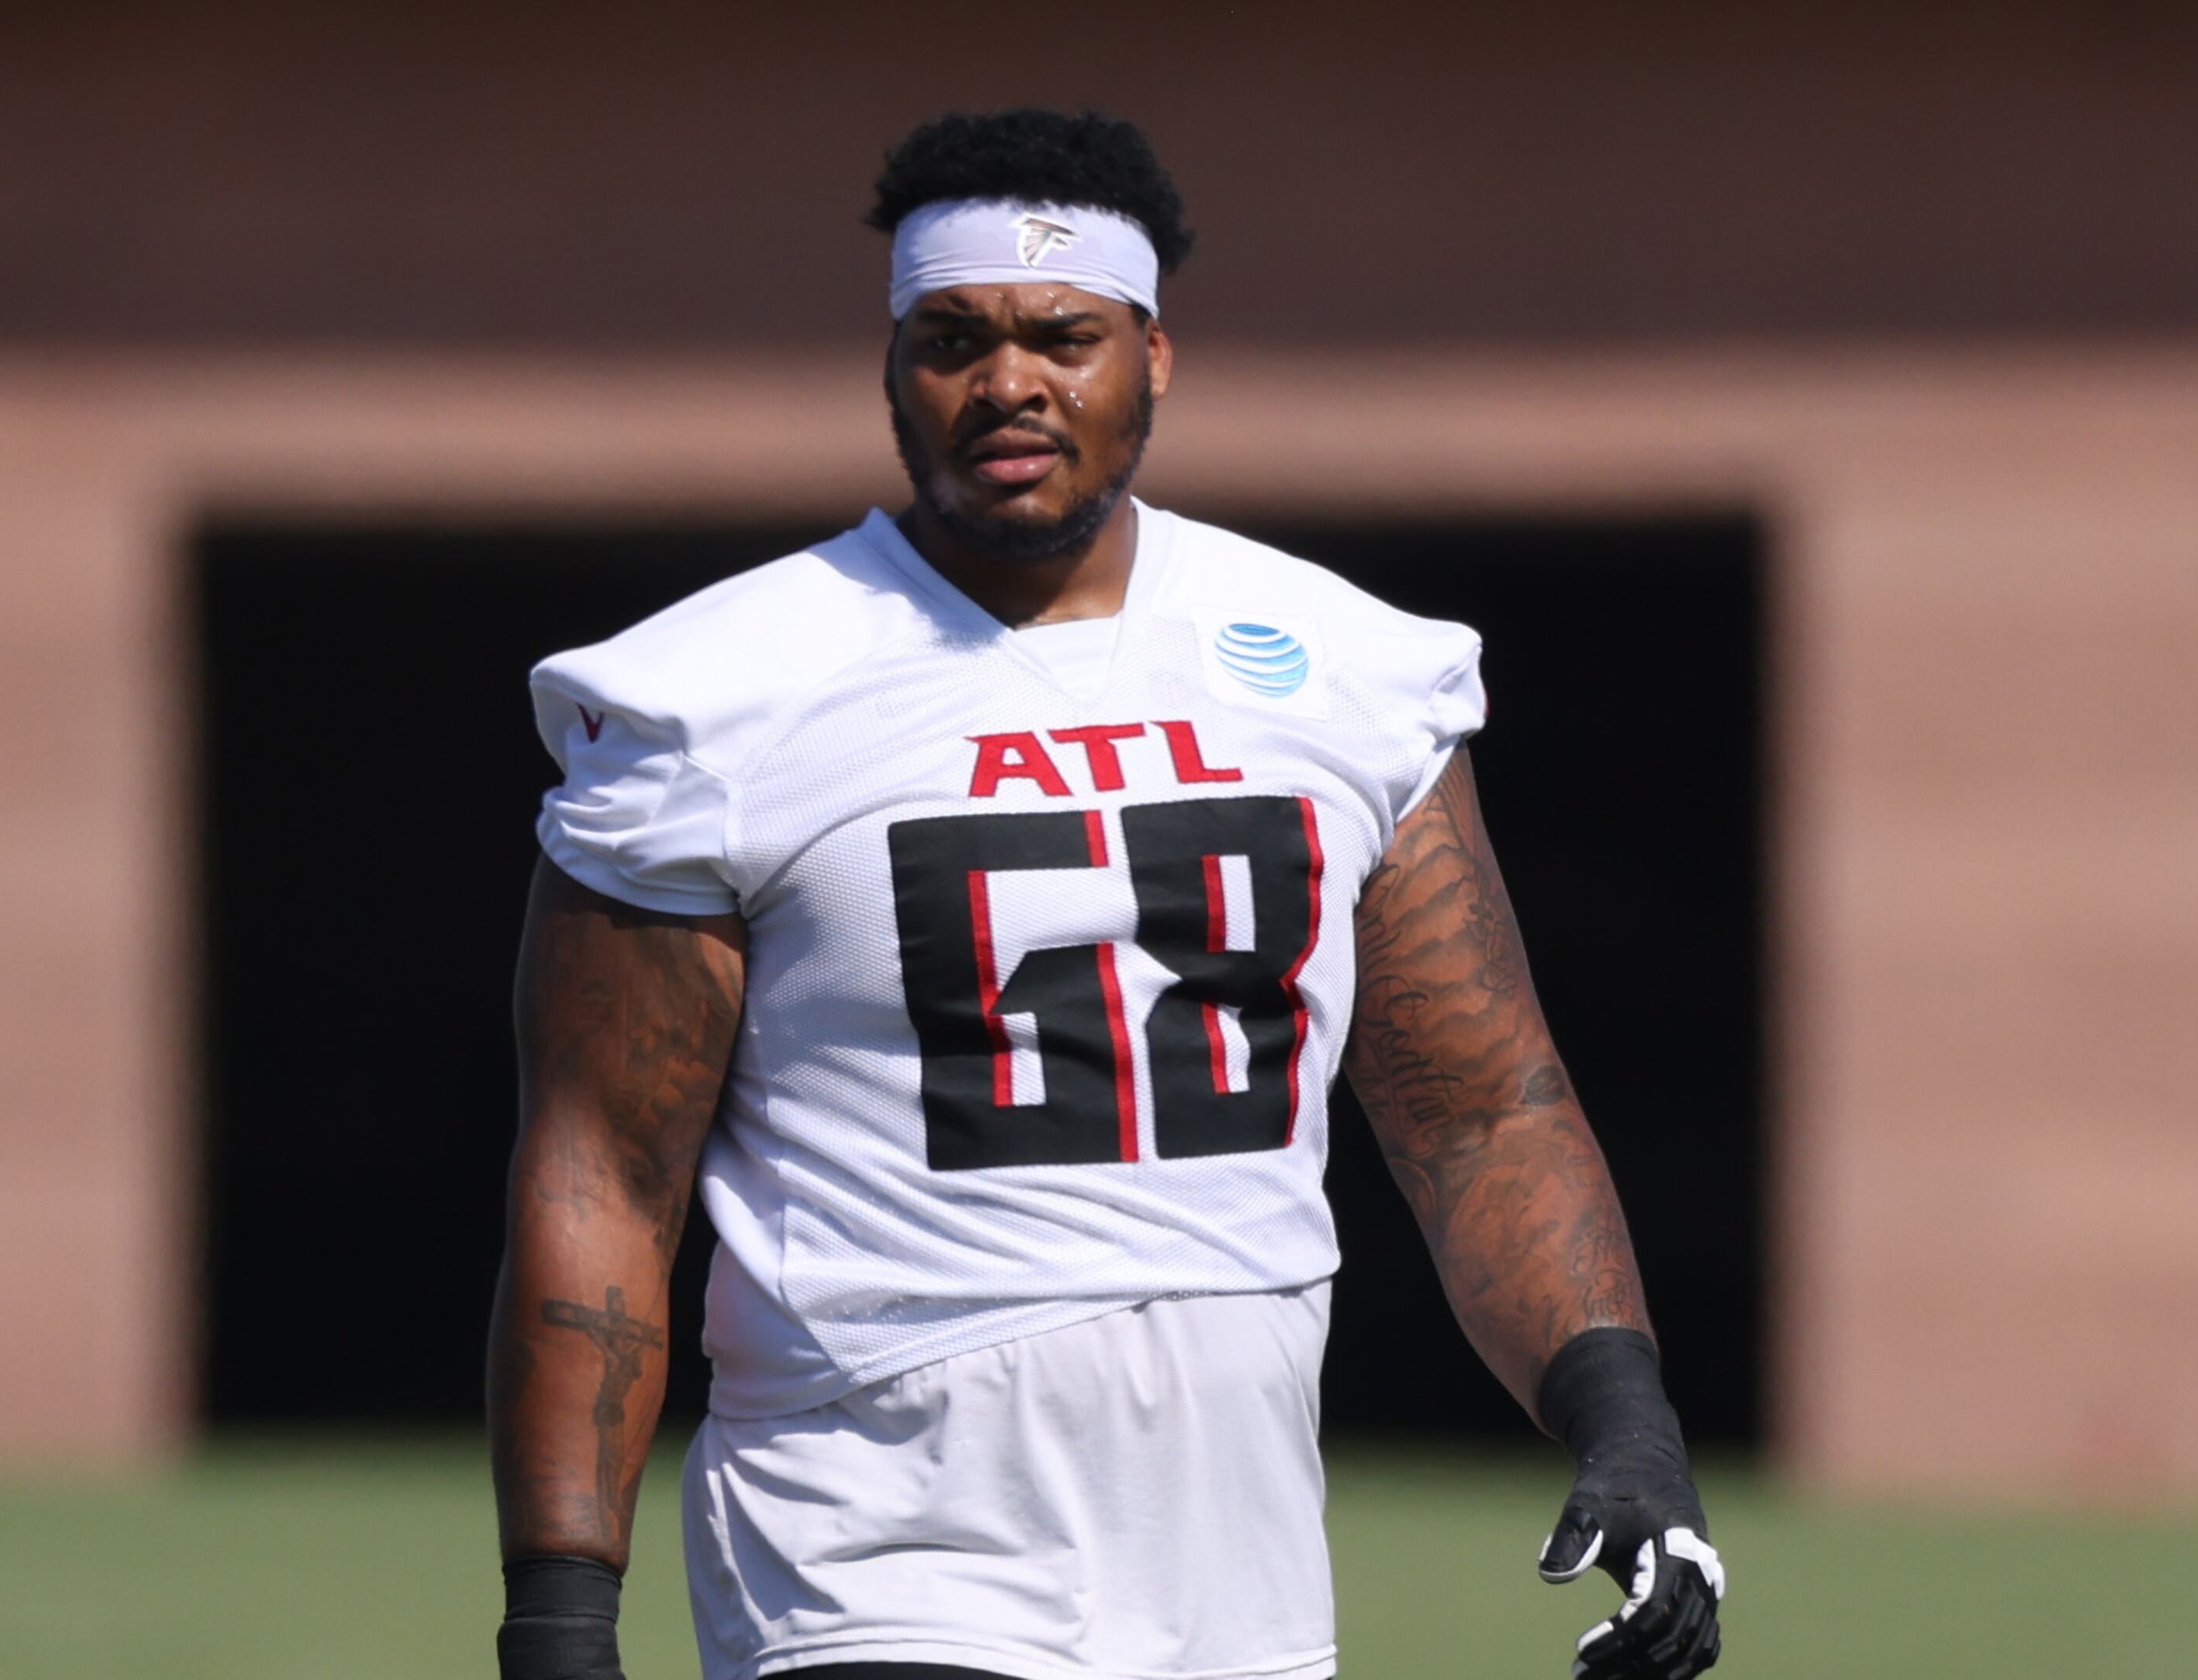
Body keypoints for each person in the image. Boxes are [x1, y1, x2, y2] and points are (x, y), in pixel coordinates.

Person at [488, 108, 1724, 1680]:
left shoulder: (1341, 670)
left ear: (1154, 355)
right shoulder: (718, 694)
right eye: (953, 339)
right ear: (889, 370)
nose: (1010, 381)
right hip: (872, 1551)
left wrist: (1625, 1422)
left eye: (1061, 335)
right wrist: (560, 1619)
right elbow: (600, 1169)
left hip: (1236, 1572)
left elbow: (1479, 1104)